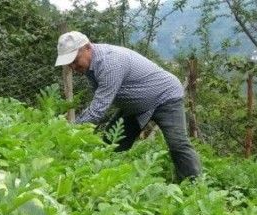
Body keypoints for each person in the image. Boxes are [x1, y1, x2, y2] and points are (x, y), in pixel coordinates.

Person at [54, 31, 202, 181]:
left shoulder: (109, 63)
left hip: (165, 97)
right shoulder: (89, 66)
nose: (73, 66)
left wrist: (69, 133)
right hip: (136, 107)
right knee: (111, 143)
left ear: (87, 48)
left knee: (178, 144)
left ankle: (193, 186)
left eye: (75, 60)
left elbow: (98, 110)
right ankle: (107, 182)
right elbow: (99, 103)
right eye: (69, 63)